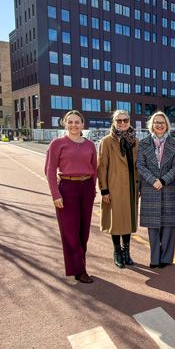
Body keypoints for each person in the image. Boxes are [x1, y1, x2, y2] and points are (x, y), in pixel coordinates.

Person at [44, 110, 97, 284]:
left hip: (87, 188)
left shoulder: (90, 145)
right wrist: (55, 194)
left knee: (84, 231)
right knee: (70, 231)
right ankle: (79, 270)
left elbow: (94, 168)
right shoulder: (57, 143)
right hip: (67, 189)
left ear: (83, 124)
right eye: (70, 122)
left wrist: (93, 189)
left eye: (77, 122)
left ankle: (80, 264)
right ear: (65, 124)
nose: (74, 125)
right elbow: (50, 171)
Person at [136, 111, 175, 268]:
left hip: (168, 187)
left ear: (167, 125)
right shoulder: (143, 143)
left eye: (162, 122)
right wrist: (153, 180)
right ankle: (155, 258)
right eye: (156, 122)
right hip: (150, 188)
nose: (159, 125)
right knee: (153, 225)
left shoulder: (174, 143)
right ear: (152, 125)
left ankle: (166, 258)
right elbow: (140, 166)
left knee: (169, 224)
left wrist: (163, 180)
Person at [98, 110, 140, 268]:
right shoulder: (107, 141)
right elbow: (102, 167)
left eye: (125, 120)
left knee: (128, 220)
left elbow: (138, 166)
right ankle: (117, 252)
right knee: (116, 221)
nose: (122, 123)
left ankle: (127, 252)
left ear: (130, 121)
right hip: (114, 187)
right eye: (119, 120)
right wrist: (104, 190)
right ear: (114, 122)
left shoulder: (135, 141)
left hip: (131, 186)